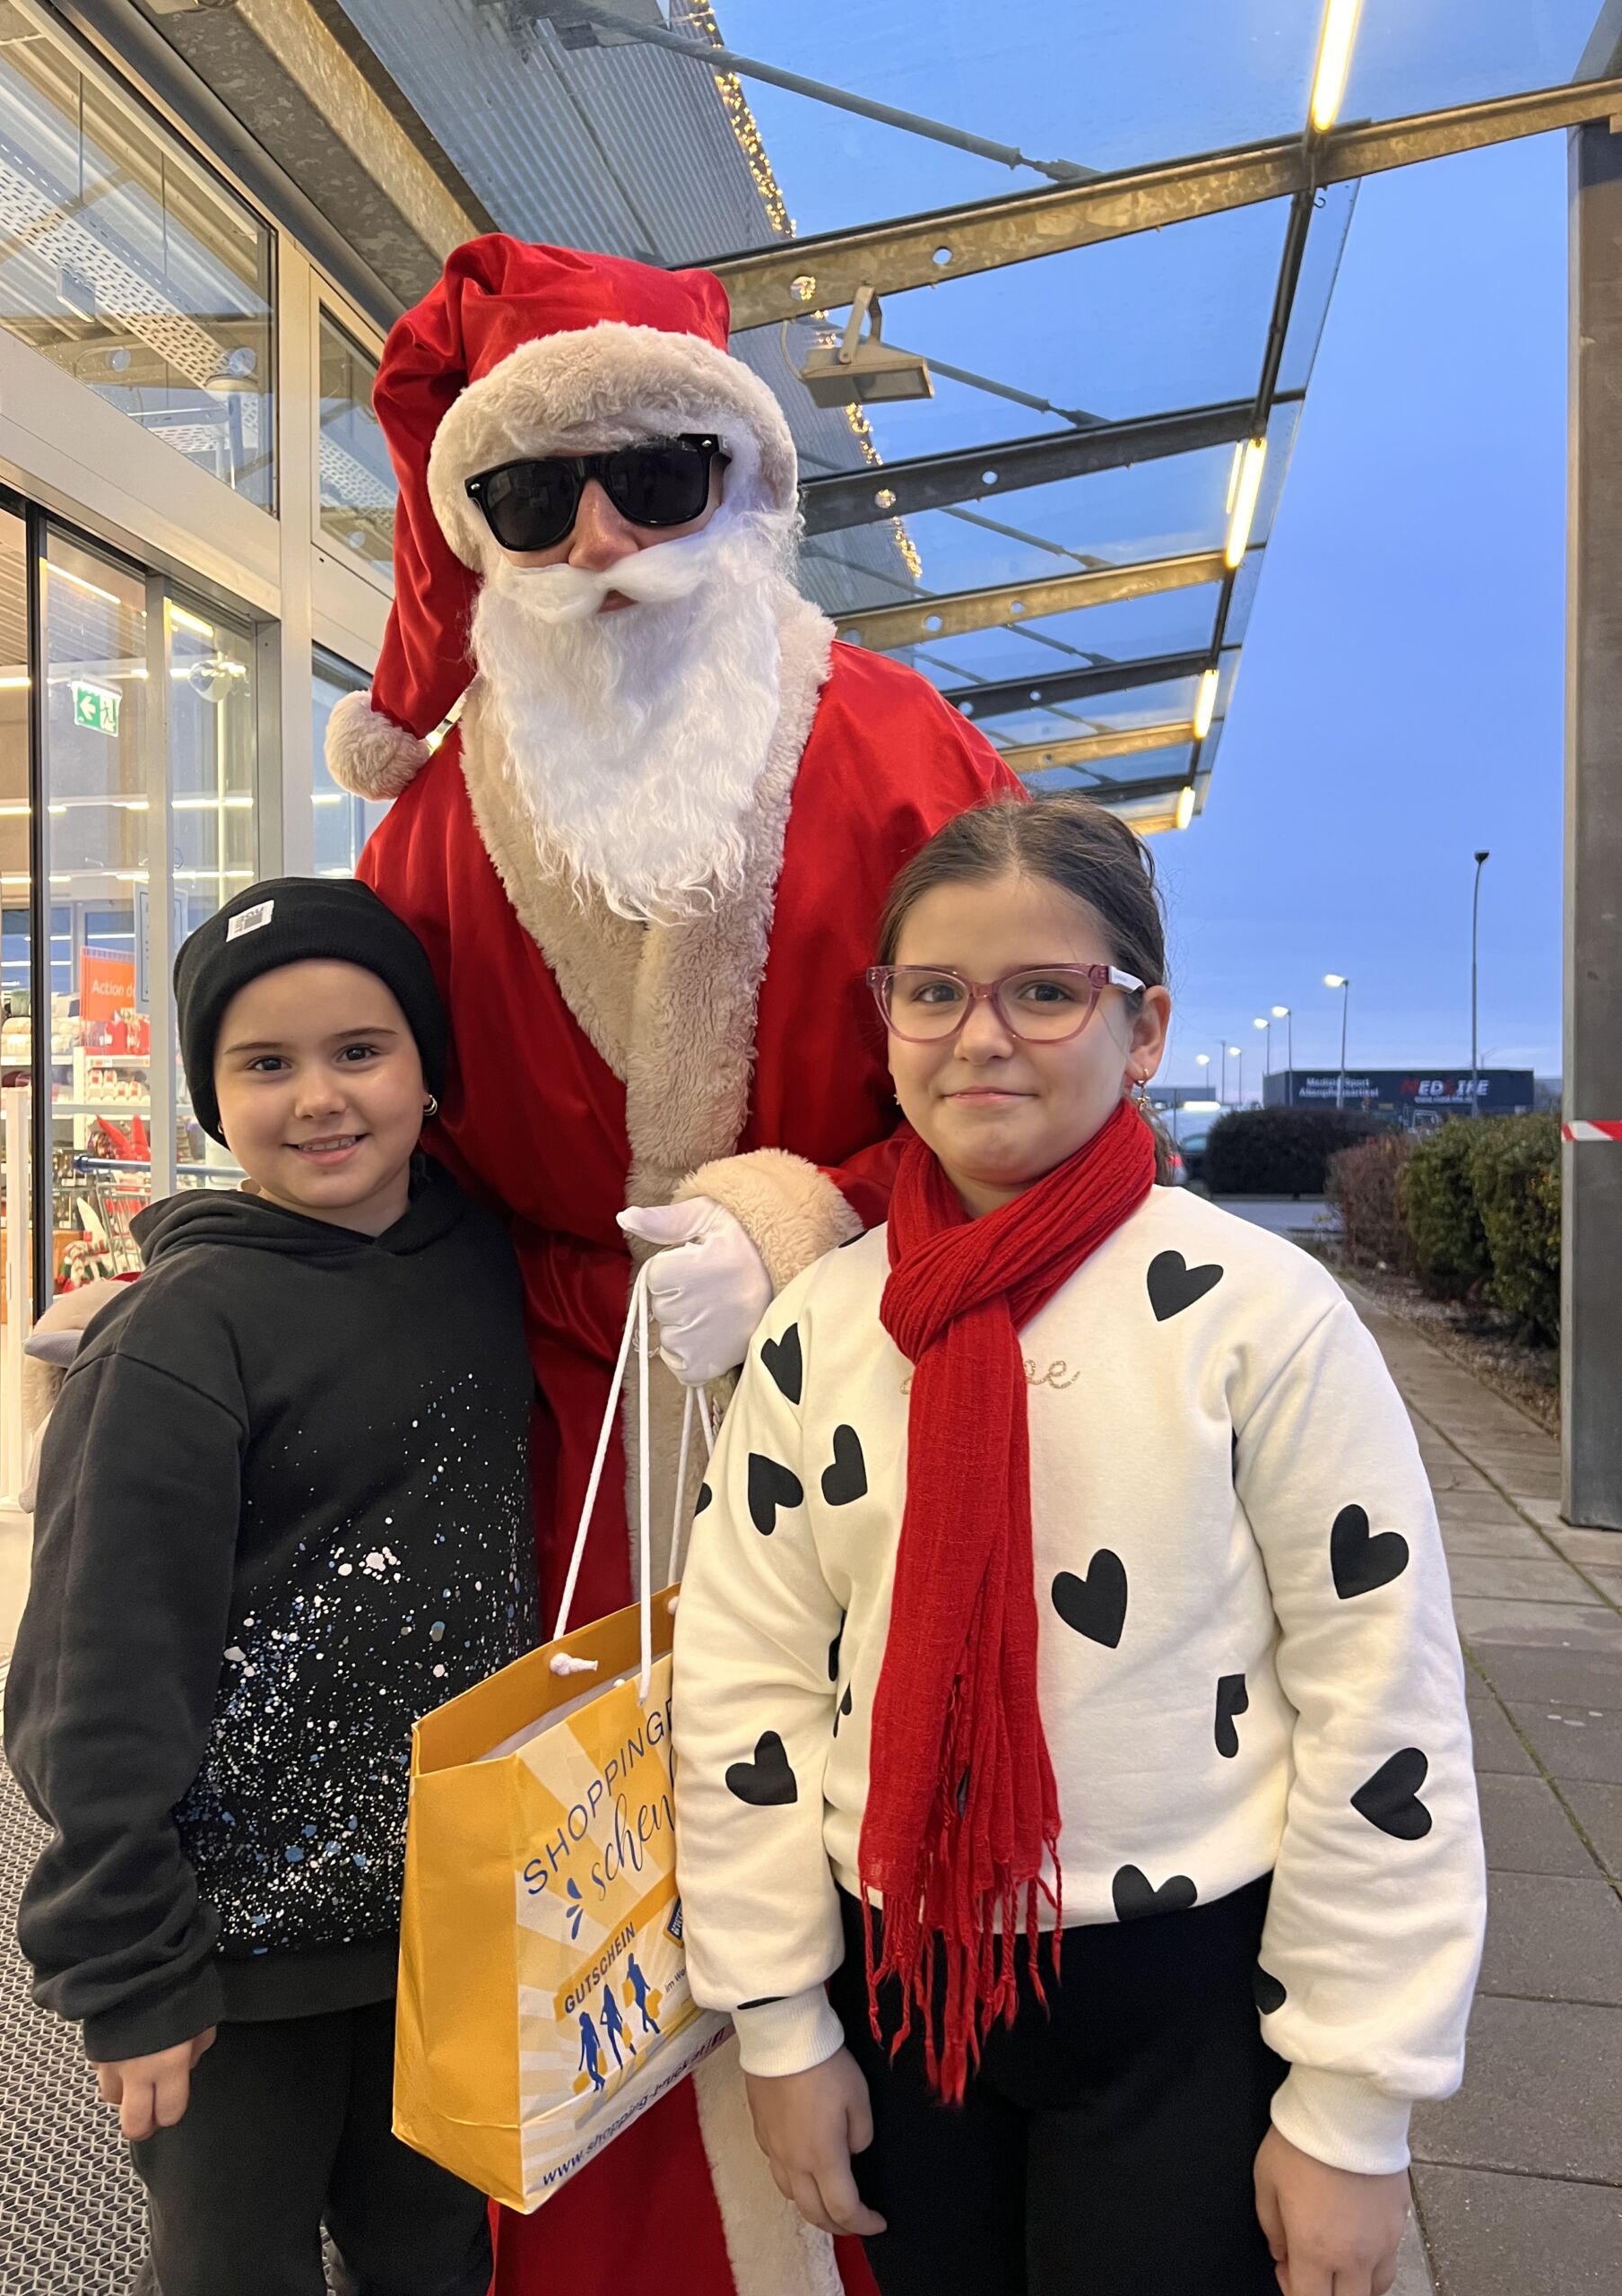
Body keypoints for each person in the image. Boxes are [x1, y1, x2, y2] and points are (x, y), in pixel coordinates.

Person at [325, 233, 1016, 2296]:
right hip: (561, 1438)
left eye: (656, 477)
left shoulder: (909, 754)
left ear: (750, 485)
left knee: (869, 1868)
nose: (603, 542)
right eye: (534, 496)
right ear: (478, 529)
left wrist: (804, 1215)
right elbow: (373, 1141)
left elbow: (1028, 1112)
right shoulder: (426, 835)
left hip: (875, 1415)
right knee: (585, 1876)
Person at [672, 796, 1486, 2296]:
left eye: (1045, 991)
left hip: (1185, 1996)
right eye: (934, 991)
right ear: (888, 1019)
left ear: (1145, 1026)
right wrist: (778, 2022)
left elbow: (1382, 1701)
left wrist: (1353, 2106)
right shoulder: (823, 1326)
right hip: (898, 1986)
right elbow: (745, 1678)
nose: (981, 1036)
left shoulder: (1259, 1314)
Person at [5, 878, 538, 2296]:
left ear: (430, 1070)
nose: (319, 1098)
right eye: (264, 1064)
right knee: (233, 2266)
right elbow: (94, 1676)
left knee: (437, 2257)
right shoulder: (179, 1338)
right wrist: (126, 1965)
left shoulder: (489, 1264)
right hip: (238, 1954)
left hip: (452, 1926)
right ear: (212, 1099)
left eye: (360, 1050)